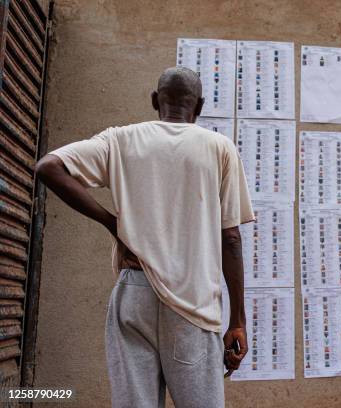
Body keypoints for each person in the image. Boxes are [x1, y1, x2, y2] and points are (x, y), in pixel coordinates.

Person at [35, 67, 254, 408]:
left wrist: (112, 223)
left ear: (155, 101)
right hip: (191, 301)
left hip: (133, 293)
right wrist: (238, 320)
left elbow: (48, 167)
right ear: (199, 106)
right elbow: (231, 240)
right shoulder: (219, 148)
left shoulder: (120, 139)